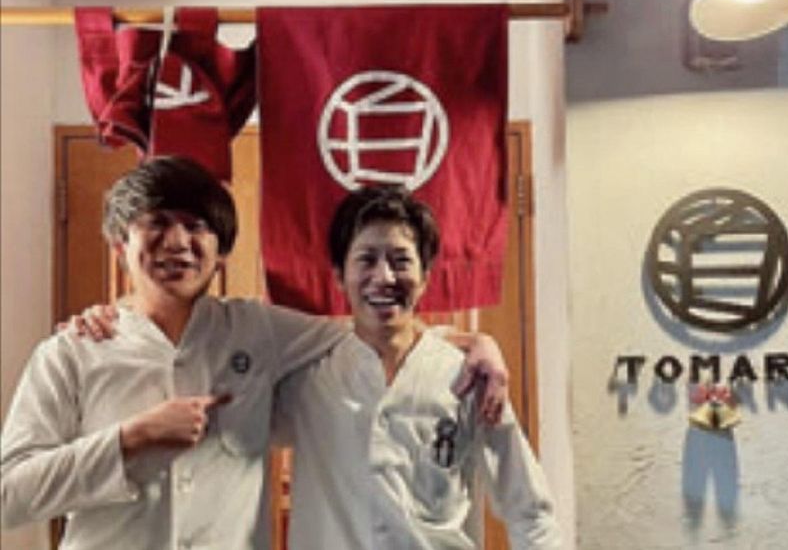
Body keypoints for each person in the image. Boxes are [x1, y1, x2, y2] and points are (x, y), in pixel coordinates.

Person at [0, 157, 507, 550]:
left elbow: (369, 337)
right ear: (119, 244)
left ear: (221, 253)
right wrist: (131, 439)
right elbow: (8, 495)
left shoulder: (257, 330)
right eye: (157, 222)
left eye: (197, 226)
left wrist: (472, 343)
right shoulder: (72, 353)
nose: (177, 241)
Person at [273, 185, 562, 549]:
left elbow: (530, 510)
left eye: (400, 261)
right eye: (366, 260)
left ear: (425, 277)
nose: (384, 277)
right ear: (339, 276)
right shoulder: (309, 377)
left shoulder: (467, 375)